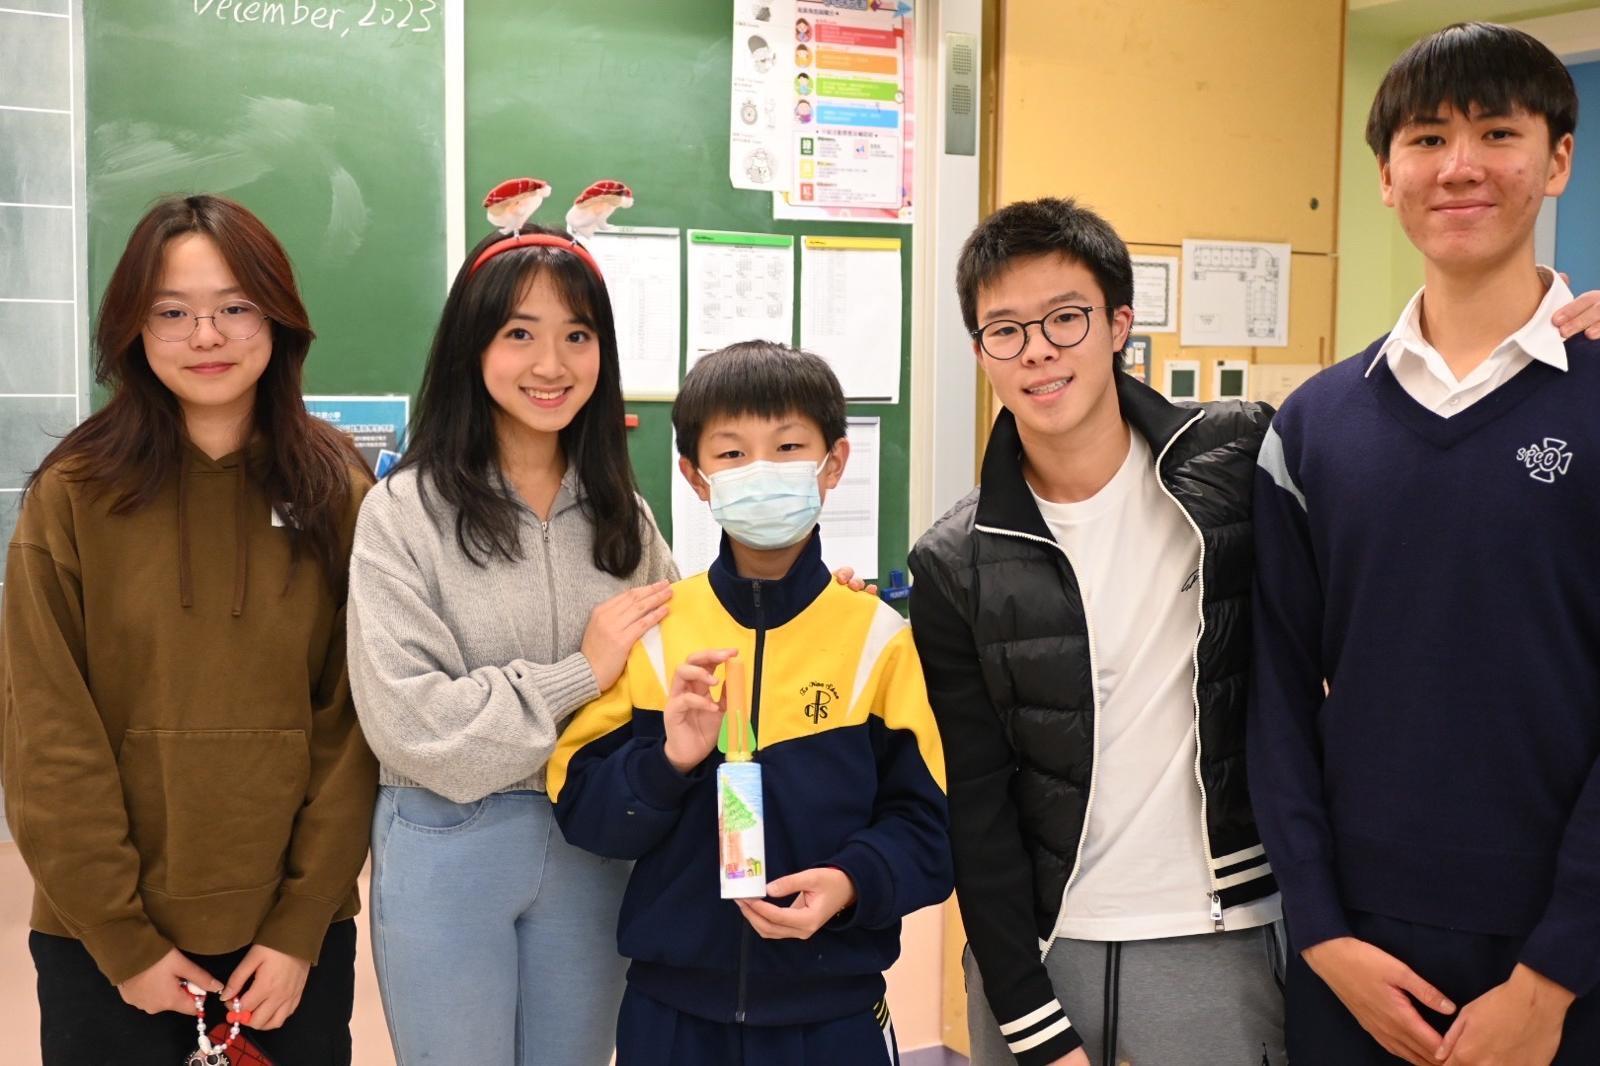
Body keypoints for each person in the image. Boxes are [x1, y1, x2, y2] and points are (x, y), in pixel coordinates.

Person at [1250, 21, 1600, 1065]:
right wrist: (1317, 929)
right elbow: (1269, 697)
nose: (1459, 167)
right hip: (1354, 959)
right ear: (1383, 175)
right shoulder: (1310, 426)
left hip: (1569, 961)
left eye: (1497, 132)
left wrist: (1551, 978)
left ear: (1557, 161)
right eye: (1425, 139)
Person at [908, 197, 1285, 1066]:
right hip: (1046, 951)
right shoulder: (953, 559)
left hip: (1218, 938)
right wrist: (1030, 1023)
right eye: (1005, 329)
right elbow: (980, 803)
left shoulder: (1240, 462)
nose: (1037, 348)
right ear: (980, 353)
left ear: (1119, 323)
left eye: (1065, 318)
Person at [1, 194, 376, 1064]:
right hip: (105, 944)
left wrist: (298, 925)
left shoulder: (339, 493)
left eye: (235, 307)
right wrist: (121, 938)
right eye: (171, 312)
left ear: (278, 318)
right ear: (132, 327)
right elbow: (46, 732)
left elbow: (355, 725)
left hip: (287, 948)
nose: (206, 336)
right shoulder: (73, 493)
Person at [548, 341, 952, 1066]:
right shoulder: (657, 633)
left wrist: (851, 882)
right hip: (671, 1017)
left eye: (788, 446)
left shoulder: (879, 641)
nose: (760, 471)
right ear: (695, 479)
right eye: (731, 454)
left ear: (833, 464)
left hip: (832, 1018)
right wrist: (669, 762)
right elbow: (582, 807)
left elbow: (930, 827)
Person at [346, 222, 677, 1065]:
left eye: (578, 335)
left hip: (592, 840)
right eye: (519, 334)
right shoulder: (403, 513)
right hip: (446, 840)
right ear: (472, 345)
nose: (552, 364)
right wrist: (580, 674)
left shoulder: (623, 516)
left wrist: (799, 603)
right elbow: (417, 728)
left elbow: (675, 666)